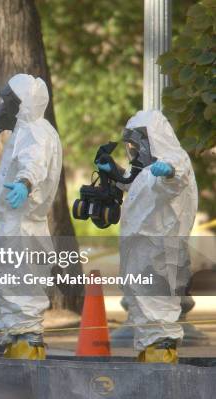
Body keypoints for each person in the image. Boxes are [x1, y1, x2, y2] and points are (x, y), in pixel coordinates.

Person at [0, 74, 62, 360]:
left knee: (21, 302)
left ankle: (26, 364)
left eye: (8, 101)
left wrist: (25, 183)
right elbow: (16, 173)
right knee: (11, 299)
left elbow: (34, 166)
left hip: (22, 232)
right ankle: (17, 355)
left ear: (23, 104)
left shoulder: (34, 132)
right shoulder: (26, 131)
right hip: (14, 228)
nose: (2, 106)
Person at [97, 109, 197, 363]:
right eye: (130, 145)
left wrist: (170, 171)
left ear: (152, 139)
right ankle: (149, 362)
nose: (133, 151)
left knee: (160, 314)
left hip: (160, 252)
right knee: (145, 313)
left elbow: (177, 178)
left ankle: (161, 368)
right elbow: (137, 185)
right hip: (143, 252)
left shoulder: (173, 159)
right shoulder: (147, 170)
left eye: (136, 144)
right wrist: (115, 172)